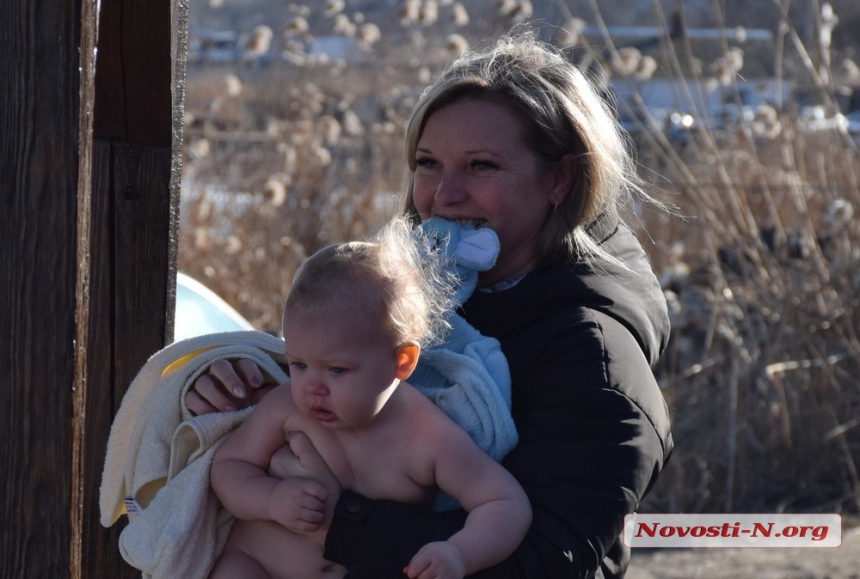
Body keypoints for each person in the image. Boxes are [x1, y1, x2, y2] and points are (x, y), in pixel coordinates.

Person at [188, 32, 674, 578]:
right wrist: (246, 391)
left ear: (559, 179)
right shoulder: (409, 296)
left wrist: (335, 518)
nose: (444, 195)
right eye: (427, 163)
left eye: (482, 166)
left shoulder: (594, 357)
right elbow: (332, 392)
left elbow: (544, 561)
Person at [207, 218, 532, 579]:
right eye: (298, 364)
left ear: (402, 362)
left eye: (337, 370)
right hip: (256, 562)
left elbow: (505, 502)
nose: (312, 387)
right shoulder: (286, 407)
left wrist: (459, 552)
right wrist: (269, 499)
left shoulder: (427, 436)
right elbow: (228, 467)